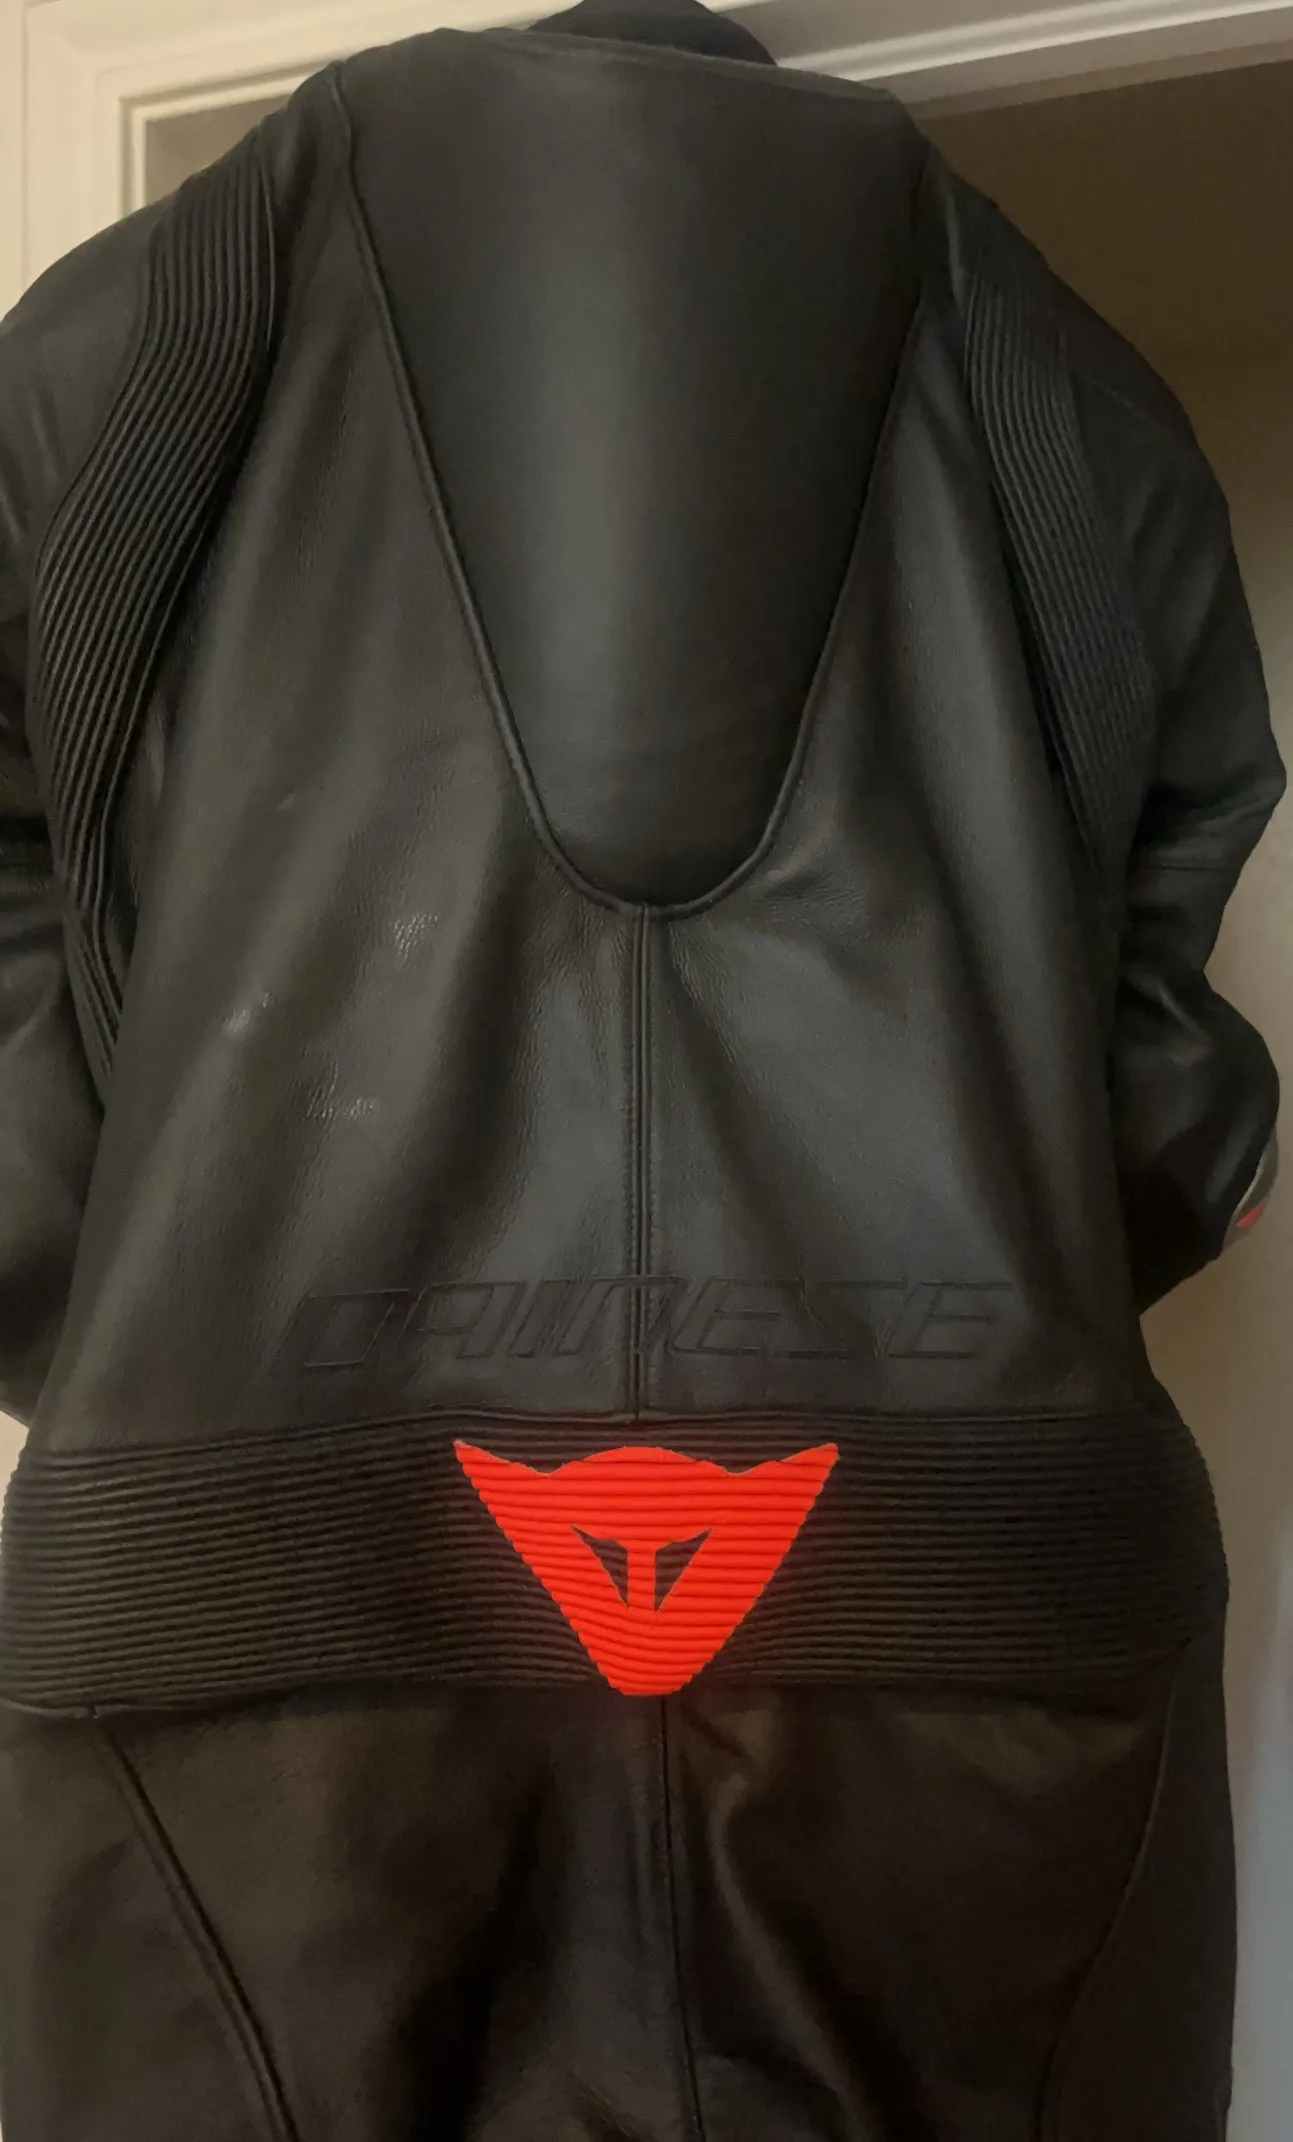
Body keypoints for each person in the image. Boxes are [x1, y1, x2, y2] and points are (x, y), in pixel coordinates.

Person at [0, 3, 1282, 2136]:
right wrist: (1022, 1276)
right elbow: (1170, 1056)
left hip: (235, 1609)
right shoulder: (1065, 377)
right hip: (976, 1590)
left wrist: (136, 1294)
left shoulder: (144, 331)